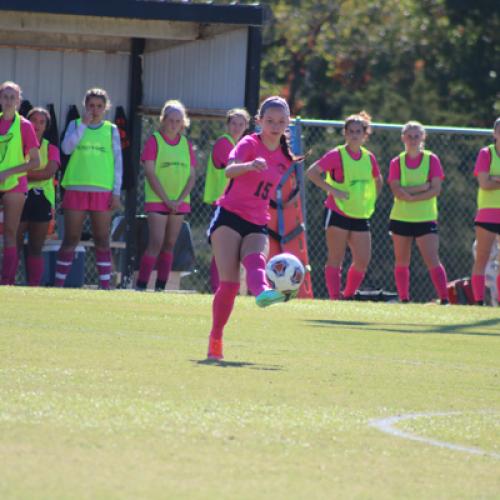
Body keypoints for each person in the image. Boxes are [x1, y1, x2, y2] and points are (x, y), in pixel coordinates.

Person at [206, 96, 298, 360]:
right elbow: (229, 171)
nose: (275, 125)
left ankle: (263, 294)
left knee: (256, 260)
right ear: (259, 121)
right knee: (230, 284)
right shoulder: (249, 143)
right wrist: (250, 165)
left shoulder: (285, 157)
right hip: (229, 216)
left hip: (258, 219)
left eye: (281, 121)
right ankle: (216, 338)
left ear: (287, 123)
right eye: (270, 120)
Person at [306, 111, 382, 300]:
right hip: (337, 212)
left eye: (358, 131)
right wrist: (334, 191)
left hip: (360, 215)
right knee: (336, 258)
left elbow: (378, 180)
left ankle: (347, 295)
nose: (354, 135)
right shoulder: (336, 155)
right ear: (345, 133)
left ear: (365, 134)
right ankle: (334, 297)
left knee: (362, 260)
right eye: (351, 131)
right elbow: (312, 173)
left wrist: (368, 199)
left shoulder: (369, 157)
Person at [55, 88, 123, 289]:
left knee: (102, 239)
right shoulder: (75, 124)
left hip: (102, 191)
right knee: (71, 239)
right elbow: (66, 148)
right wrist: (83, 125)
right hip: (76, 188)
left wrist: (116, 192)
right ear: (85, 106)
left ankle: (105, 287)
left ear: (106, 108)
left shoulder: (111, 129)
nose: (95, 110)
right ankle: (58, 286)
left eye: (99, 106)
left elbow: (118, 163)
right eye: (91, 105)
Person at [136, 100, 196, 291]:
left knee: (170, 244)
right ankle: (141, 285)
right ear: (163, 120)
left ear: (183, 122)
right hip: (158, 200)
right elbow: (150, 173)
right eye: (170, 120)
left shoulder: (186, 144)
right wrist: (166, 200)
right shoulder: (154, 140)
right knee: (156, 243)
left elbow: (192, 176)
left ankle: (161, 288)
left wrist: (178, 200)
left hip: (179, 202)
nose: (174, 124)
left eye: (178, 121)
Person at [387, 121, 449, 304]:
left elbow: (436, 189)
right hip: (401, 218)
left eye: (416, 136)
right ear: (403, 138)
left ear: (423, 137)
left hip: (425, 218)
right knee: (402, 261)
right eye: (409, 136)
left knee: (432, 259)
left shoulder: (432, 160)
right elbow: (397, 190)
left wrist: (410, 194)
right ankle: (404, 299)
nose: (413, 140)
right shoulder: (396, 162)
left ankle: (445, 299)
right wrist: (422, 188)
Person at [203, 107, 250, 292]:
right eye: (233, 123)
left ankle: (228, 287)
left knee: (232, 250)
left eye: (241, 124)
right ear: (227, 125)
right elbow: (237, 170)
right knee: (222, 249)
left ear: (246, 126)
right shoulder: (224, 143)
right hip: (221, 203)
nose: (237, 127)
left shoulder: (242, 145)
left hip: (235, 204)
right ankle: (218, 287)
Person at [0, 81, 40, 285]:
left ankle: (6, 282)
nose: (8, 101)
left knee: (9, 233)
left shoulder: (25, 126)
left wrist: (7, 172)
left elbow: (35, 161)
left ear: (18, 101)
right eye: (4, 97)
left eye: (12, 97)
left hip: (14, 184)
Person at [16, 107, 60, 286]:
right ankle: (7, 283)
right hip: (19, 196)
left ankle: (33, 286)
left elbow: (48, 173)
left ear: (46, 126)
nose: (37, 125)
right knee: (14, 245)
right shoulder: (17, 146)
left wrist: (19, 173)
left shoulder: (51, 148)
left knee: (36, 247)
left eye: (42, 122)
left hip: (42, 200)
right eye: (33, 121)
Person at [471, 117, 500, 305]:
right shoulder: (486, 154)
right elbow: (484, 183)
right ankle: (478, 302)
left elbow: (492, 181)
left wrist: (496, 178)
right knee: (481, 260)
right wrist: (492, 179)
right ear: (495, 133)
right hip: (488, 213)